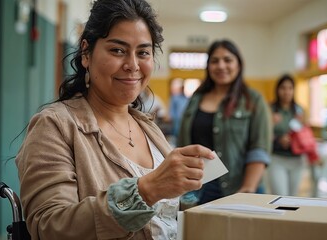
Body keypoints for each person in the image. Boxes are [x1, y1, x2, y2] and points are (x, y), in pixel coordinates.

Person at [15, 0, 215, 239]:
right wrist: (146, 191)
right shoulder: (55, 126)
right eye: (117, 50)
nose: (132, 65)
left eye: (142, 52)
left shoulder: (148, 126)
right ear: (86, 53)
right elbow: (49, 227)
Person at [176, 39, 271, 206]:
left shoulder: (253, 100)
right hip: (198, 188)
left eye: (227, 60)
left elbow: (259, 148)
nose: (221, 66)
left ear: (239, 64)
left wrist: (247, 189)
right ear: (208, 67)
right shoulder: (195, 100)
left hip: (239, 186)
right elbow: (183, 143)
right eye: (214, 61)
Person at [268, 74, 306, 196]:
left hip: (297, 159)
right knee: (280, 196)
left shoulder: (299, 110)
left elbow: (306, 135)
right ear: (277, 90)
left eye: (290, 88)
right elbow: (262, 135)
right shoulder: (270, 109)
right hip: (277, 158)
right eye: (283, 88)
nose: (287, 92)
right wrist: (272, 127)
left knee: (293, 198)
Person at [168, 78, 189, 146]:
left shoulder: (187, 99)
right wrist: (171, 118)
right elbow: (172, 110)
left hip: (184, 120)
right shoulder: (175, 98)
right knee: (176, 136)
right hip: (176, 120)